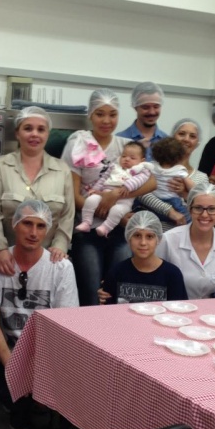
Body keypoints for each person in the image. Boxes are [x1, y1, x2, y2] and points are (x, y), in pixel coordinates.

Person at [0, 201, 78, 429]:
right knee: (19, 420)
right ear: (14, 225)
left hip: (50, 354)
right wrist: (14, 366)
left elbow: (66, 325)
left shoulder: (61, 267)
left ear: (48, 230)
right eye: (27, 224)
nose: (34, 233)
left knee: (50, 423)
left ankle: (53, 407)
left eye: (41, 226)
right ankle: (24, 402)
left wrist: (42, 374)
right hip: (11, 352)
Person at [62, 89, 156, 306]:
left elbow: (152, 182)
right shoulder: (78, 143)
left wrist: (114, 195)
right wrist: (100, 206)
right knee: (91, 292)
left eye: (112, 114)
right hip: (87, 229)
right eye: (100, 114)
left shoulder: (126, 146)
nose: (106, 120)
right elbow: (73, 195)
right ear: (90, 115)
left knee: (119, 292)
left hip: (120, 231)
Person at [0, 106, 74, 275]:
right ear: (17, 133)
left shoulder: (62, 170)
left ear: (48, 134)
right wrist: (0, 249)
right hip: (7, 258)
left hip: (50, 258)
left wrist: (60, 246)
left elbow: (67, 215)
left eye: (41, 129)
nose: (34, 134)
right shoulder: (0, 167)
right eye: (28, 128)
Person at [157, 183, 215, 299]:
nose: (204, 214)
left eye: (212, 209)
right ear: (189, 209)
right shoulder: (168, 240)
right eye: (198, 208)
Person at [135, 118, 209, 231]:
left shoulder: (202, 177)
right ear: (172, 137)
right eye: (182, 134)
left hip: (182, 238)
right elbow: (140, 193)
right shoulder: (153, 167)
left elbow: (203, 207)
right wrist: (169, 211)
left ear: (197, 143)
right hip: (150, 234)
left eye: (192, 136)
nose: (186, 139)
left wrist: (184, 194)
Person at [101, 211, 187, 304]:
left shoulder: (172, 274)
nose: (143, 243)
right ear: (128, 238)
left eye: (149, 236)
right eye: (137, 235)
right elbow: (109, 312)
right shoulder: (117, 272)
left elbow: (178, 311)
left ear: (158, 239)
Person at [74, 141, 151, 236]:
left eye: (132, 158)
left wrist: (127, 186)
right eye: (124, 156)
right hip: (104, 193)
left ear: (142, 161)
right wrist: (95, 189)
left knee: (117, 211)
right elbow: (104, 178)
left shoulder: (141, 171)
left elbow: (140, 180)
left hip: (124, 200)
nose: (126, 159)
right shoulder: (114, 166)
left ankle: (106, 227)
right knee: (91, 200)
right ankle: (86, 222)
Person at [117, 81, 168, 159]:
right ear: (135, 107)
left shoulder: (167, 142)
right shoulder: (120, 140)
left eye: (156, 106)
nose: (152, 112)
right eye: (145, 107)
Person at [148, 137, 191, 224]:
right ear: (179, 156)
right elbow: (193, 187)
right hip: (173, 202)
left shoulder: (152, 166)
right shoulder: (179, 170)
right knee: (189, 219)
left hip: (155, 203)